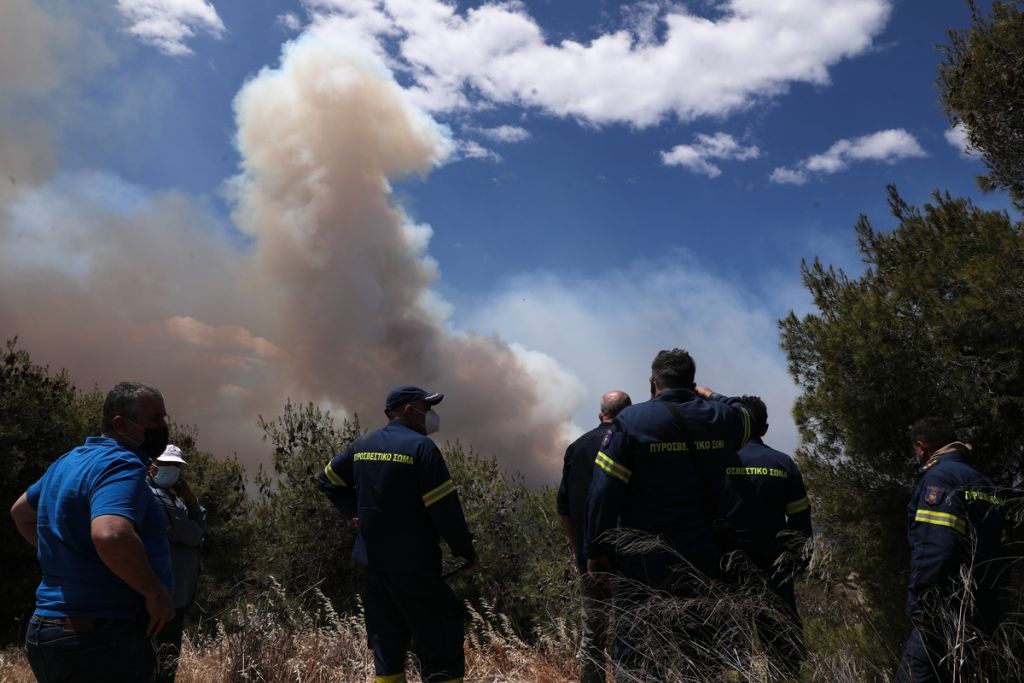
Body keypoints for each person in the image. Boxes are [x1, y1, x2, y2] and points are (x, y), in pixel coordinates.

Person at [585, 348, 753, 679]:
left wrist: (597, 549)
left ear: (652, 383)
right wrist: (707, 393)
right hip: (705, 558)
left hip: (644, 559)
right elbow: (746, 412)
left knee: (636, 650)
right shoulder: (719, 418)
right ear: (692, 383)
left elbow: (604, 490)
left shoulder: (630, 422)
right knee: (701, 652)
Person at [9, 381, 176, 683]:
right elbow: (110, 534)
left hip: (47, 629)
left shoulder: (68, 461)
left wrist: (69, 556)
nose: (163, 427)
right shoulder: (121, 464)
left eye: (164, 418)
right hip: (100, 638)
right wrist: (155, 593)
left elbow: (20, 514)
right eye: (155, 419)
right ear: (121, 424)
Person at [317, 386, 478, 683]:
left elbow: (327, 479)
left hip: (374, 565)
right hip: (414, 565)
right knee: (441, 646)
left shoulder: (363, 442)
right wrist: (465, 549)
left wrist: (354, 510)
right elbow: (445, 510)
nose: (430, 416)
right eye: (425, 409)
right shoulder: (421, 449)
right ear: (408, 410)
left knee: (387, 648)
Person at [896, 417, 1008, 683]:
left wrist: (920, 604)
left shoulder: (939, 477)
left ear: (922, 447)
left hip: (943, 608)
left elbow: (937, 546)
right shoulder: (984, 482)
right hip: (985, 607)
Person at [725, 395, 812, 679]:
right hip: (775, 570)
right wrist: (796, 564)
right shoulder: (783, 463)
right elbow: (800, 522)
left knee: (728, 651)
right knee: (781, 649)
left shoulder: (717, 463)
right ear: (764, 428)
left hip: (725, 570)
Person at [557, 390, 632, 683]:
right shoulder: (632, 444)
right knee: (633, 630)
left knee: (593, 636)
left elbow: (563, 507)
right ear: (627, 413)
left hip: (590, 558)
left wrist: (580, 550)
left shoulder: (577, 448)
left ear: (601, 414)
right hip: (629, 555)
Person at [148, 444, 206, 683]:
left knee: (163, 661)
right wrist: (193, 504)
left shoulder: (169, 497)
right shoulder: (156, 498)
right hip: (163, 597)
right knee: (161, 664)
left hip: (173, 595)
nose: (172, 470)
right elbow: (194, 535)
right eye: (166, 464)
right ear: (152, 466)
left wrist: (189, 503)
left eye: (176, 466)